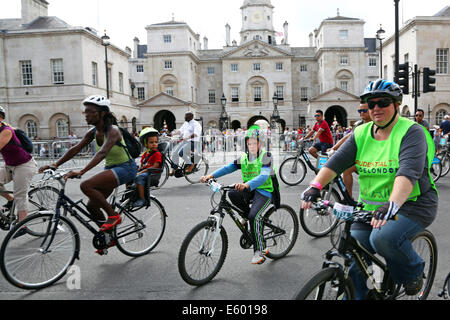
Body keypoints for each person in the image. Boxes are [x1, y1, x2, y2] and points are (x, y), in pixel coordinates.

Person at [301, 79, 438, 299]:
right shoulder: (361, 133)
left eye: (382, 102)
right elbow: (335, 163)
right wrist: (314, 187)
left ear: (395, 105)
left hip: (412, 203)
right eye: (370, 104)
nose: (375, 108)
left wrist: (391, 205)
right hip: (371, 206)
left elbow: (407, 174)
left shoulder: (412, 132)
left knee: (382, 239)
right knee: (353, 250)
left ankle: (413, 272)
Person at [38, 95, 138, 237]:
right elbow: (75, 149)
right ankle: (108, 236)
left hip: (126, 168)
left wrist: (82, 171)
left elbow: (102, 153)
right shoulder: (92, 132)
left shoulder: (113, 130)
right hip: (111, 169)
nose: (86, 115)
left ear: (102, 113)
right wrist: (54, 164)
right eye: (85, 111)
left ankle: (113, 216)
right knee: (92, 206)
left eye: (90, 111)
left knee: (86, 186)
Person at [200, 125, 275, 265]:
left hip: (264, 191)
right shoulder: (245, 158)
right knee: (233, 193)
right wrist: (210, 175)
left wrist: (246, 185)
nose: (251, 146)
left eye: (255, 143)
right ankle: (246, 217)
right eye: (249, 143)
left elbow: (264, 176)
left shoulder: (266, 156)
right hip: (250, 190)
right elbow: (229, 168)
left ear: (261, 143)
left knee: (254, 216)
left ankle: (259, 250)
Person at [0, 106, 37, 227]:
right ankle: (11, 201)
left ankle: (22, 226)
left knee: (20, 195)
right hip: (10, 166)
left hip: (24, 165)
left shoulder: (6, 131)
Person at [327, 102, 372, 198]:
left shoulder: (376, 123)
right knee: (344, 168)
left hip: (373, 158)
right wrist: (334, 148)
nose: (361, 113)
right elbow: (348, 137)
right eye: (360, 111)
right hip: (360, 157)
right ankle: (349, 198)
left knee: (347, 170)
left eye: (364, 110)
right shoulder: (359, 124)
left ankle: (349, 198)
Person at [133, 127, 163, 207]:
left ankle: (142, 199)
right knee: (130, 173)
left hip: (152, 174)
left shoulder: (157, 154)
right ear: (145, 144)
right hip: (146, 171)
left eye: (156, 142)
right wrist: (139, 168)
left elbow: (155, 166)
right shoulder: (145, 154)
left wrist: (141, 172)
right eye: (151, 142)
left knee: (139, 177)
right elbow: (142, 164)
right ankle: (131, 195)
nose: (154, 144)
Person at [169, 111, 202, 176]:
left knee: (181, 152)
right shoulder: (186, 123)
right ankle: (174, 168)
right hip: (185, 141)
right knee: (174, 152)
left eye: (186, 116)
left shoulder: (196, 124)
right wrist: (172, 133)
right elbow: (180, 130)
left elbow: (196, 134)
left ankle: (190, 164)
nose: (184, 117)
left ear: (191, 116)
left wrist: (187, 137)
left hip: (193, 142)